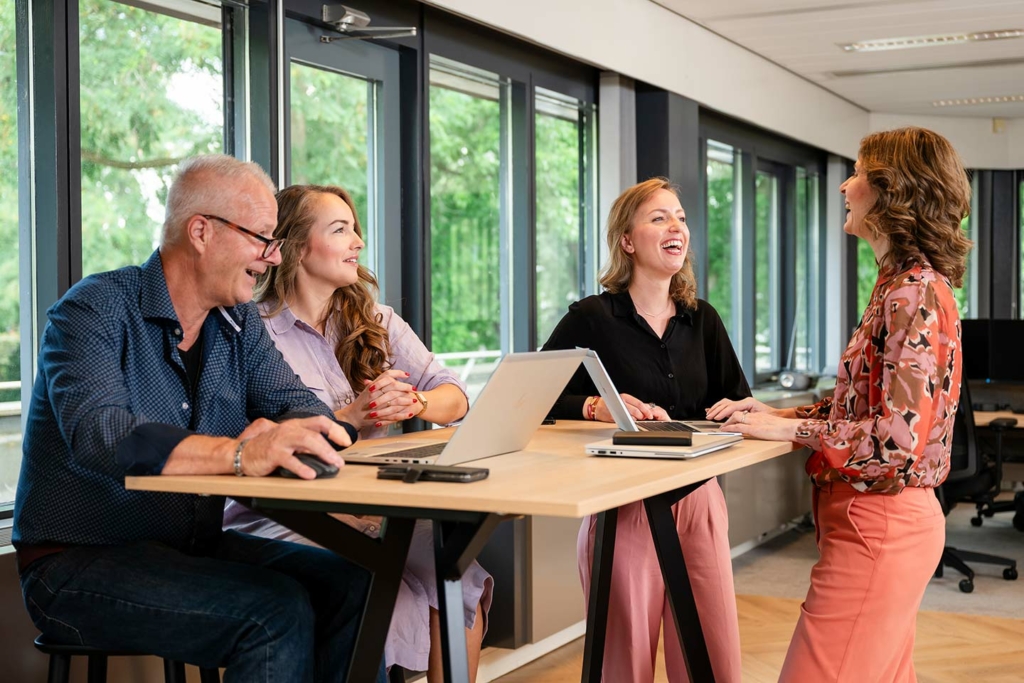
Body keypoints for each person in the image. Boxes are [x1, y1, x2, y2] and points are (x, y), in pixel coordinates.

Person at [12, 155, 387, 683]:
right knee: (274, 612)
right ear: (202, 232)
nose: (272, 258)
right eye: (262, 237)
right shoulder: (92, 310)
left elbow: (301, 406)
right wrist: (239, 453)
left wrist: (296, 430)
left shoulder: (238, 324)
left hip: (188, 548)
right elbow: (101, 435)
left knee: (358, 583)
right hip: (76, 563)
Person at [707, 127, 972, 682]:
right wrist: (778, 415)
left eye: (857, 173)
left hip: (883, 522)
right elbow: (863, 408)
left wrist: (788, 435)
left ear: (891, 190)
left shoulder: (914, 293)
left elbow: (896, 440)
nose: (845, 187)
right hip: (872, 519)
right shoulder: (896, 286)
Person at [223, 183, 492, 682]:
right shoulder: (253, 331)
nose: (358, 243)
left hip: (375, 506)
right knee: (383, 587)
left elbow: (455, 396)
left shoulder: (376, 321)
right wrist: (355, 413)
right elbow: (254, 437)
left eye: (356, 230)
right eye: (341, 230)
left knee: (454, 571)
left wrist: (416, 401)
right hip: (292, 509)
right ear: (297, 247)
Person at [542, 177, 747, 683]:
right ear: (628, 241)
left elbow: (737, 402)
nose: (676, 225)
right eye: (659, 217)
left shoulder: (704, 321)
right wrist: (595, 406)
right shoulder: (592, 317)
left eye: (680, 217)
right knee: (623, 662)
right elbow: (534, 398)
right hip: (623, 505)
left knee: (712, 655)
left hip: (698, 500)